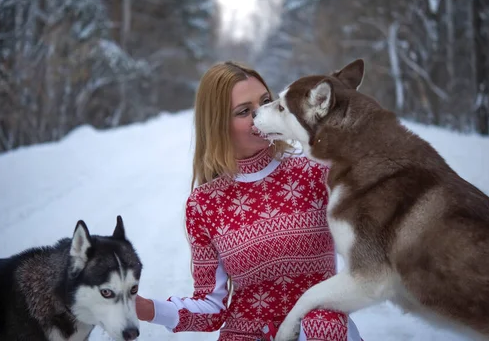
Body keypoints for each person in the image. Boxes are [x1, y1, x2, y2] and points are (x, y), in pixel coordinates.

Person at [136, 62, 362, 341]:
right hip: (245, 334)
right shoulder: (204, 205)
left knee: (323, 325)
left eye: (267, 102)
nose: (261, 115)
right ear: (218, 125)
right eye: (244, 111)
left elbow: (372, 241)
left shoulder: (316, 172)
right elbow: (211, 308)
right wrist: (147, 309)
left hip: (320, 331)